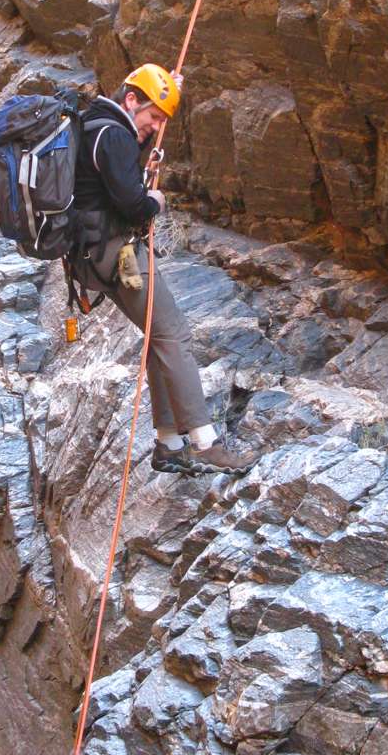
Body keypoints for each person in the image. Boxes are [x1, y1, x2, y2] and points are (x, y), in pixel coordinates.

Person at [71, 64, 259, 475]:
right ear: (131, 99)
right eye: (154, 116)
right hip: (116, 254)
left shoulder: (96, 125)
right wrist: (155, 201)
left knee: (160, 336)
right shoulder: (113, 135)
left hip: (93, 253)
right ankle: (206, 444)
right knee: (174, 335)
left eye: (161, 120)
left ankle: (169, 444)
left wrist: (166, 92)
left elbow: (116, 172)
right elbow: (133, 204)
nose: (155, 126)